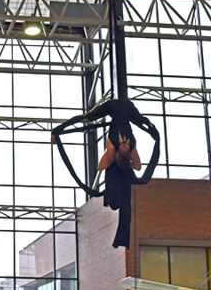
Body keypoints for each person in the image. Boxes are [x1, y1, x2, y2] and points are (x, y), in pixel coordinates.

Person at [51, 97, 159, 248]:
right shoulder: (114, 149)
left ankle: (55, 132)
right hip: (120, 108)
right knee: (87, 117)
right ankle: (55, 132)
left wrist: (151, 129)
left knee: (87, 117)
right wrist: (152, 131)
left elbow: (126, 166)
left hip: (124, 108)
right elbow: (105, 166)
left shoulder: (126, 147)